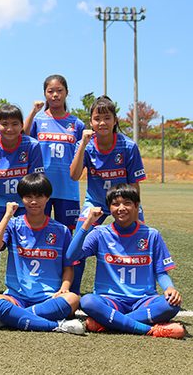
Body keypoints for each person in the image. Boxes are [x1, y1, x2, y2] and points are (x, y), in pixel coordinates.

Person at [67, 184, 185, 339]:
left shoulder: (152, 235)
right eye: (116, 204)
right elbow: (71, 257)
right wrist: (87, 223)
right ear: (109, 208)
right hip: (110, 300)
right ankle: (149, 329)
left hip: (143, 300)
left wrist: (169, 288)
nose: (121, 208)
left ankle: (107, 323)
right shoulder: (99, 233)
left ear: (136, 206)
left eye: (127, 203)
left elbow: (161, 272)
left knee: (171, 303)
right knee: (88, 301)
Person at [0, 173, 84, 335]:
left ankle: (13, 318)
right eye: (28, 197)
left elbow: (68, 267)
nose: (34, 201)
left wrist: (64, 288)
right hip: (16, 298)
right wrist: (7, 216)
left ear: (47, 198)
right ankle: (56, 325)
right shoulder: (13, 224)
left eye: (39, 196)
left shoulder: (61, 230)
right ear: (21, 199)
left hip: (49, 298)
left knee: (72, 298)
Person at [69, 95, 146, 293]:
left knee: (141, 242)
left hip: (124, 202)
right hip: (95, 202)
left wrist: (135, 211)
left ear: (114, 120)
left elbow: (134, 184)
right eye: (97, 118)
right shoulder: (85, 145)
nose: (102, 123)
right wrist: (82, 145)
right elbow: (74, 175)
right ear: (91, 122)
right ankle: (73, 292)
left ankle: (140, 290)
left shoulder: (128, 146)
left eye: (107, 118)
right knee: (78, 243)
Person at [0, 104, 44, 292]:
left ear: (22, 126)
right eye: (4, 124)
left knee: (26, 245)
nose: (10, 128)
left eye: (14, 124)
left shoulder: (32, 145)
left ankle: (27, 288)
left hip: (24, 202)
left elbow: (37, 181)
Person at [23, 75, 85, 233]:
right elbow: (23, 137)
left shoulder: (77, 124)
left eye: (59, 91)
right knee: (38, 230)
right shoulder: (38, 120)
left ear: (66, 93)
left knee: (67, 232)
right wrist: (33, 111)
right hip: (40, 188)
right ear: (45, 94)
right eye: (51, 91)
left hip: (67, 188)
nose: (55, 95)